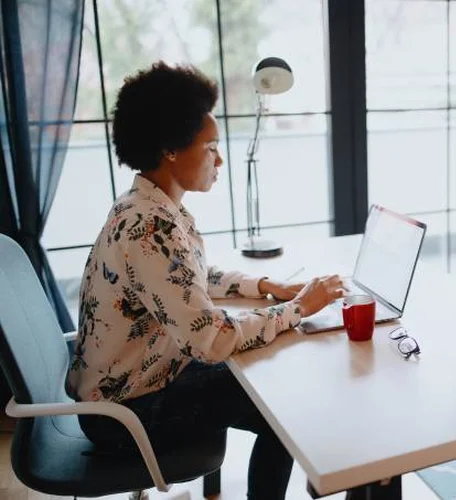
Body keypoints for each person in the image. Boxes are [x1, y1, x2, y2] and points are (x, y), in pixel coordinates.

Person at [66, 61, 345, 499]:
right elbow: (211, 341)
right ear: (171, 149)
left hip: (134, 385)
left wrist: (265, 286)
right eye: (210, 146)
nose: (219, 158)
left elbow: (188, 278)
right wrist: (299, 309)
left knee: (275, 386)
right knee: (285, 412)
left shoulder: (147, 207)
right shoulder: (150, 226)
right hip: (125, 415)